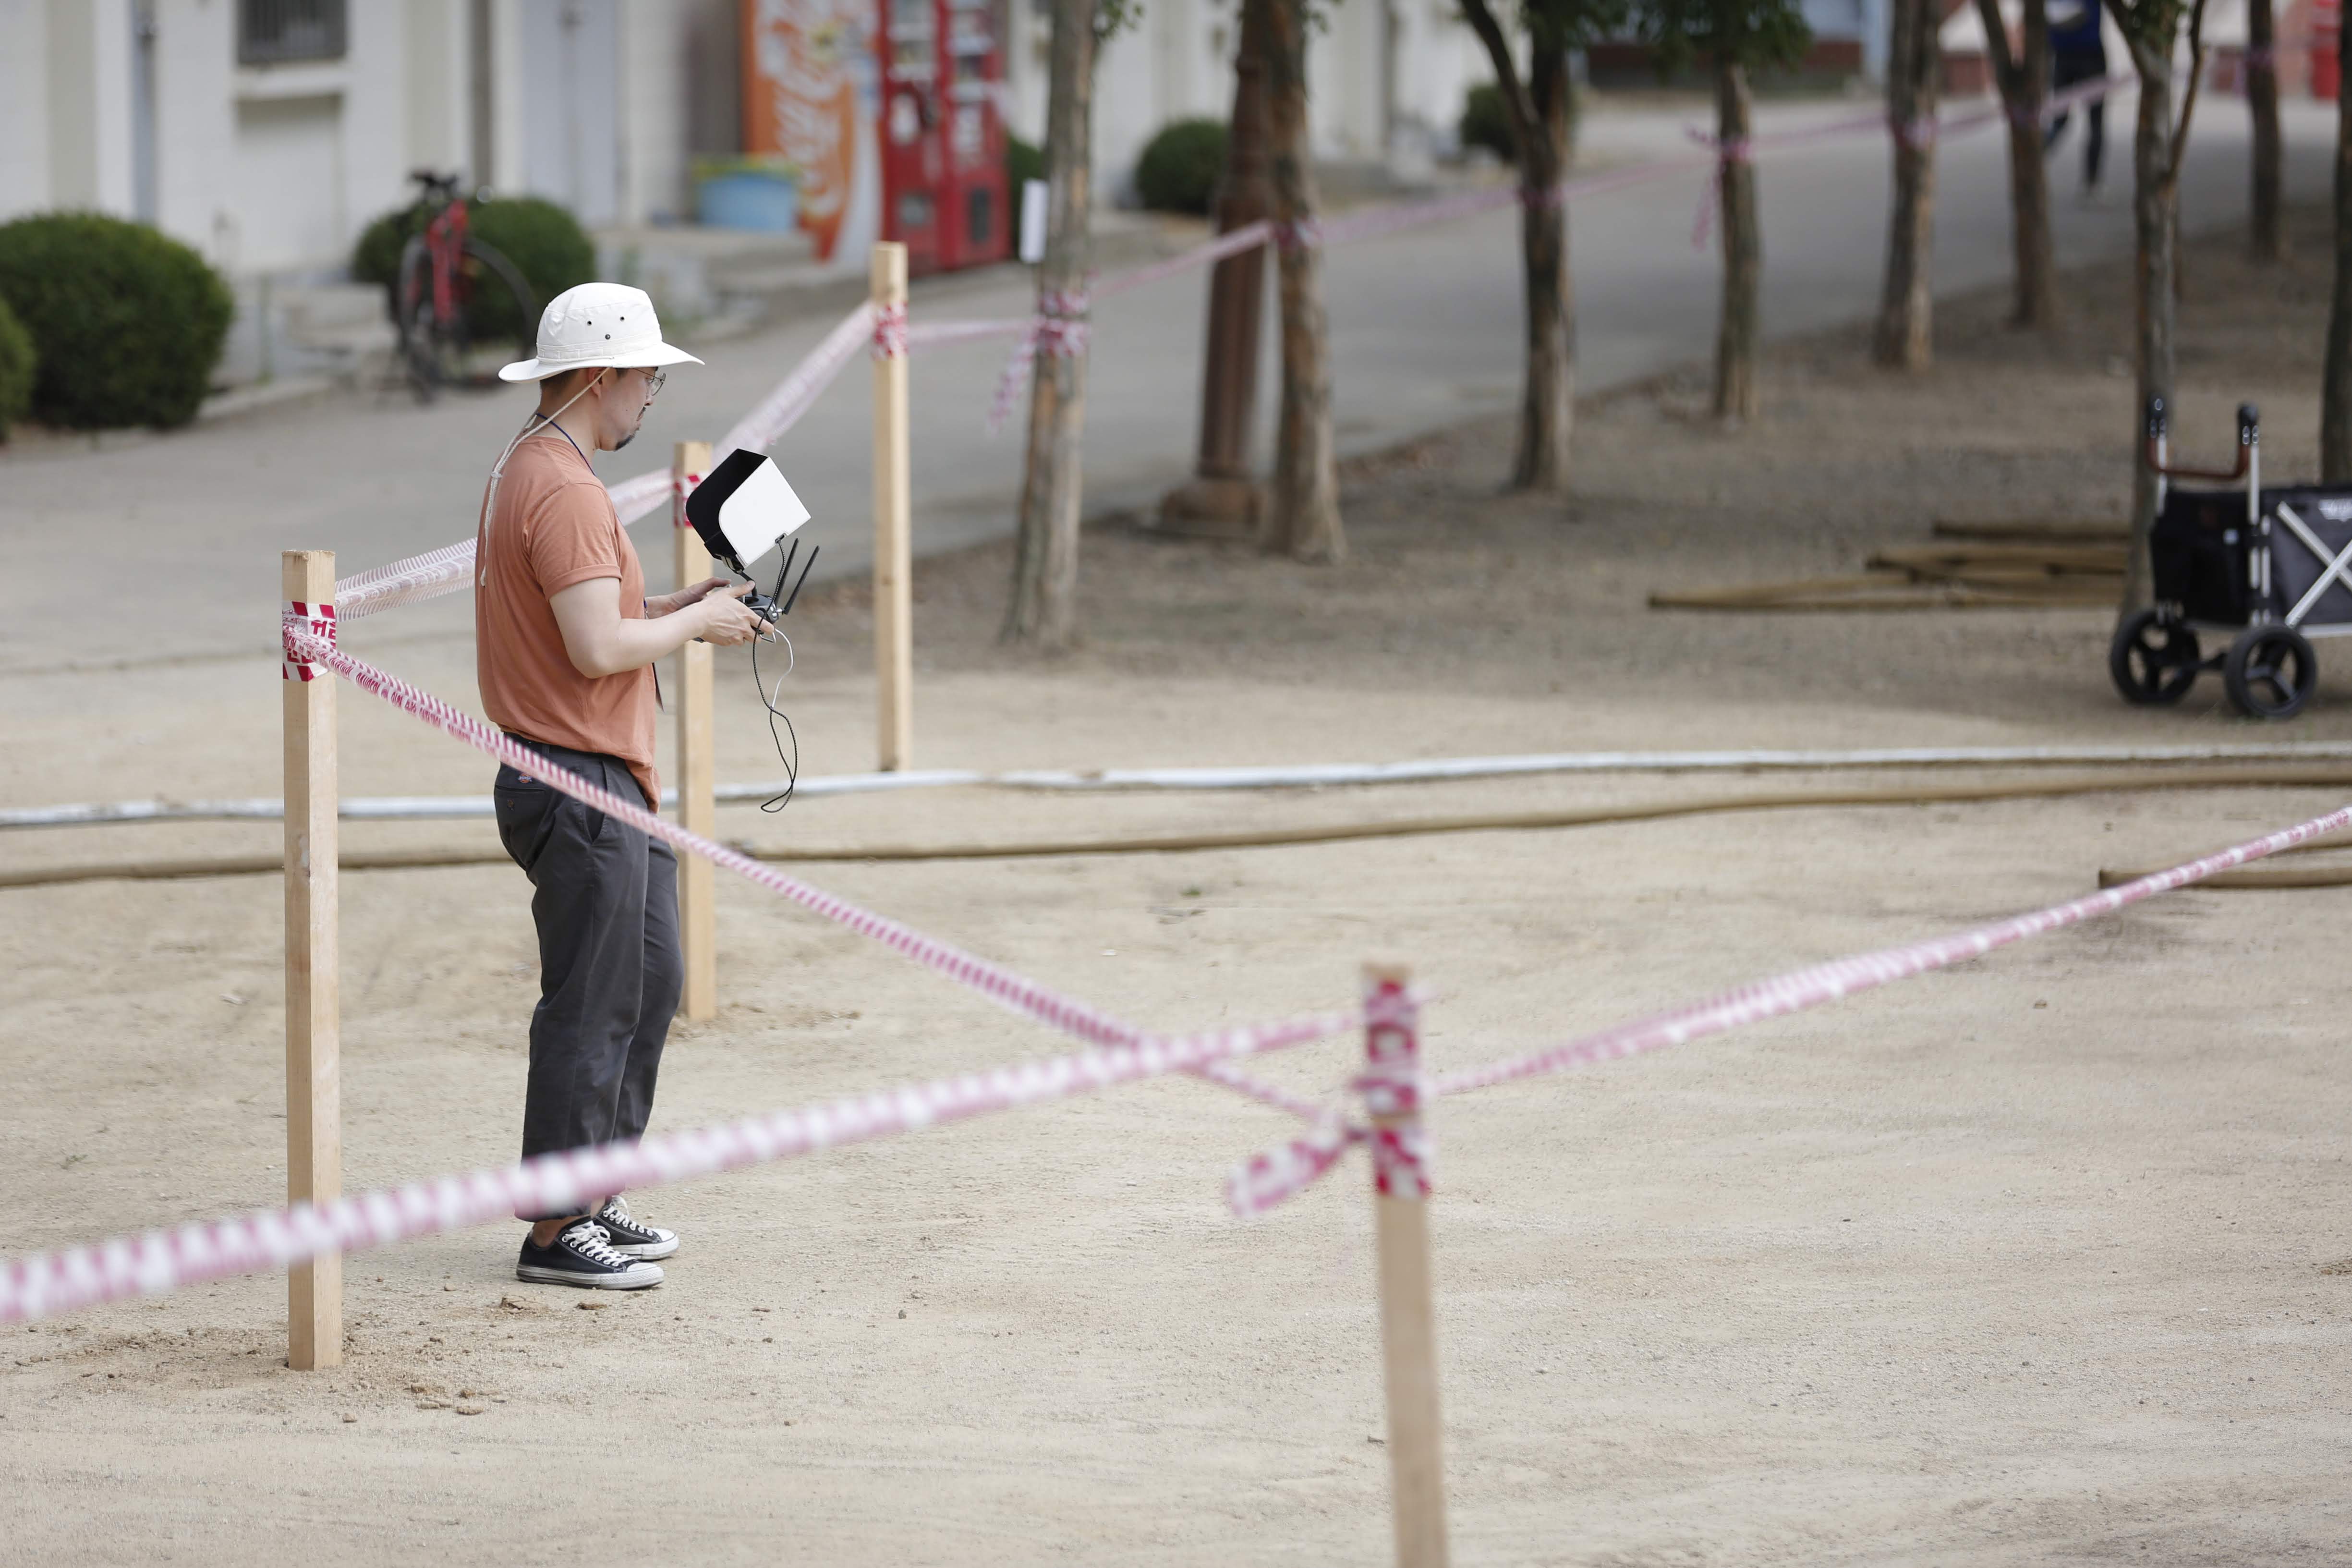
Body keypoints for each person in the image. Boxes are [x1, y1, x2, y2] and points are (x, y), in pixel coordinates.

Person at [475, 282, 772, 1289]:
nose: (651, 395)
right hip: (577, 772)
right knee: (594, 998)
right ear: (602, 376)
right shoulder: (559, 487)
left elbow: (595, 613)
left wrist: (677, 600)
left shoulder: (544, 469)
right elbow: (597, 645)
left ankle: (593, 1194)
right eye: (646, 375)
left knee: (646, 980)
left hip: (596, 770)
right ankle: (556, 1230)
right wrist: (696, 626)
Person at [2044, 0, 2108, 195]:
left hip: (2063, 56)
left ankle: (2032, 163)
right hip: (2090, 55)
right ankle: (2092, 184)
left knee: (2060, 122)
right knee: (2095, 123)